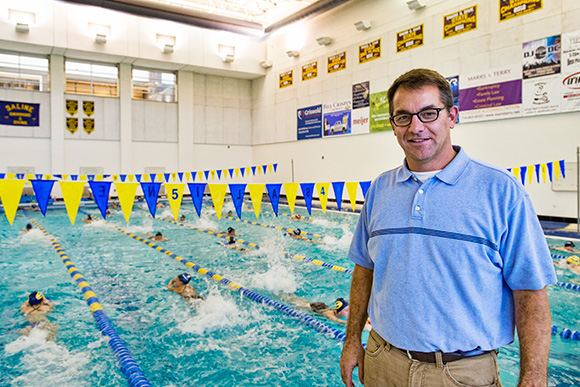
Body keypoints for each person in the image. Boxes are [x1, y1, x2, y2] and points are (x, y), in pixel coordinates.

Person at [340, 68, 557, 387]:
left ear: (452, 116)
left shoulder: (500, 191)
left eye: (428, 113)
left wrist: (533, 378)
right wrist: (351, 341)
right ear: (393, 125)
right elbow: (364, 270)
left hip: (461, 373)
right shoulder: (379, 190)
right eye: (403, 117)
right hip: (381, 361)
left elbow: (531, 292)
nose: (416, 127)